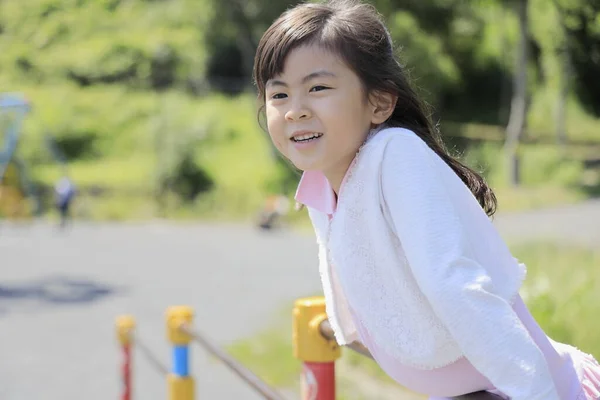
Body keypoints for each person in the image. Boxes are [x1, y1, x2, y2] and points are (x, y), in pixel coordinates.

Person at [252, 1, 600, 399]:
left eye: (318, 88)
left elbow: (455, 282)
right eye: (278, 94)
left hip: (531, 389)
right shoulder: (323, 183)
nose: (295, 111)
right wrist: (345, 329)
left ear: (379, 102)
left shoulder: (395, 155)